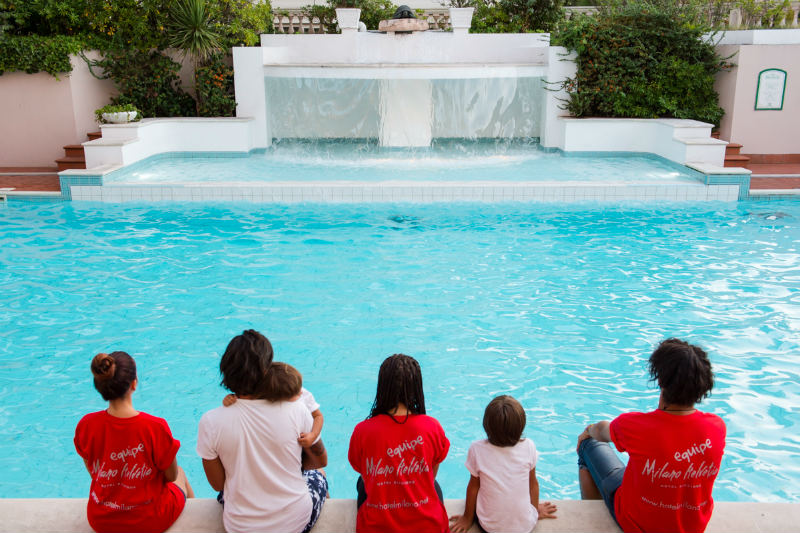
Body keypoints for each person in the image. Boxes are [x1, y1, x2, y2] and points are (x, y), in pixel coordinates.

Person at [576, 338, 726, 533]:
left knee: (588, 445)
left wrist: (588, 431)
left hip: (637, 523)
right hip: (692, 527)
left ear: (661, 380)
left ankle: (594, 521)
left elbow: (601, 431)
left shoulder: (635, 425)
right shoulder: (716, 427)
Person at [197, 330, 328, 533]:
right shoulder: (297, 409)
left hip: (240, 527)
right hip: (294, 523)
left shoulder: (210, 421)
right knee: (319, 473)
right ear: (266, 370)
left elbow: (218, 484)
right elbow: (320, 460)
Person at [74, 351, 193, 533]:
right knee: (181, 475)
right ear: (134, 384)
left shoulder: (86, 425)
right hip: (148, 520)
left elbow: (94, 472)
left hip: (101, 519)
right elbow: (170, 476)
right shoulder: (155, 427)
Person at [348, 353, 450, 533]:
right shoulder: (432, 427)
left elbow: (364, 474)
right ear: (417, 388)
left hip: (376, 528)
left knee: (361, 484)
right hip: (429, 527)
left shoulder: (363, 431)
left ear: (382, 388)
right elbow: (432, 474)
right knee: (434, 486)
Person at [450, 395, 557, 533]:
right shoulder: (529, 446)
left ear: (486, 425)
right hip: (526, 526)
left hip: (489, 527)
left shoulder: (477, 449)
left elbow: (473, 488)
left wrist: (467, 518)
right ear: (521, 425)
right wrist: (534, 511)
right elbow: (533, 484)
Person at [222, 362, 324, 448]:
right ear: (279, 397)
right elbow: (245, 400)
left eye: (300, 387)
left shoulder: (303, 394)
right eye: (296, 393)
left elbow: (318, 416)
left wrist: (313, 435)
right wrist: (229, 399)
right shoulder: (266, 399)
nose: (301, 393)